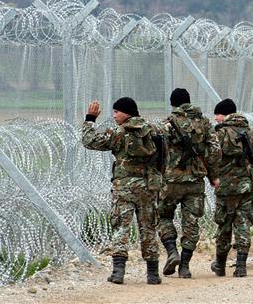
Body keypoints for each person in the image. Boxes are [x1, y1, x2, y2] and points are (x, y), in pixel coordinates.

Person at [81, 97, 163, 285]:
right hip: (148, 187)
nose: (114, 115)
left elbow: (89, 141)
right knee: (148, 228)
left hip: (124, 188)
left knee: (121, 228)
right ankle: (152, 274)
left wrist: (90, 119)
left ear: (127, 113)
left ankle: (118, 272)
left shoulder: (118, 133)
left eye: (117, 112)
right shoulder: (154, 131)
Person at [158, 88, 221, 278]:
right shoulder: (204, 122)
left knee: (163, 216)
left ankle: (171, 251)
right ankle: (184, 266)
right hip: (195, 181)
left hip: (171, 181)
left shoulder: (168, 123)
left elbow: (156, 150)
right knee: (191, 223)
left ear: (173, 104)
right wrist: (212, 175)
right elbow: (215, 150)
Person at [210, 98, 253, 278]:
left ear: (226, 114)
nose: (215, 118)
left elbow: (210, 158)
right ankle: (241, 266)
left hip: (226, 187)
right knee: (243, 224)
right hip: (247, 186)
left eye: (218, 114)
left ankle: (220, 265)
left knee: (224, 225)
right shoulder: (252, 133)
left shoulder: (219, 135)